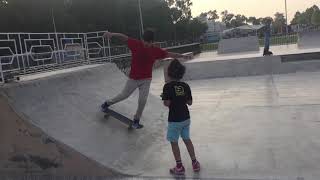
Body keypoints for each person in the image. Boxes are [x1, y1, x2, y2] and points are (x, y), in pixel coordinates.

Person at [101, 29, 189, 129]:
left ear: (152, 42)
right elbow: (124, 37)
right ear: (142, 40)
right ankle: (107, 103)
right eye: (145, 41)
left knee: (142, 100)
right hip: (133, 78)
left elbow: (169, 54)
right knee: (124, 95)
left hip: (146, 80)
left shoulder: (156, 50)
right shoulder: (136, 44)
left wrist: (182, 56)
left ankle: (136, 119)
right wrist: (111, 34)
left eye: (148, 42)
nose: (146, 44)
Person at [161, 59, 200, 175]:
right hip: (186, 118)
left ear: (169, 72)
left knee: (174, 142)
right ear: (181, 73)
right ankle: (195, 163)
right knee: (187, 140)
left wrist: (165, 97)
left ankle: (179, 166)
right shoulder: (185, 85)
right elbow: (190, 102)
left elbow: (167, 103)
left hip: (174, 120)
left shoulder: (167, 87)